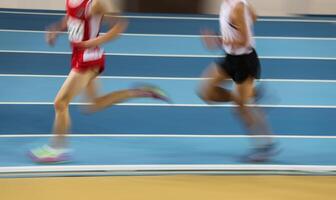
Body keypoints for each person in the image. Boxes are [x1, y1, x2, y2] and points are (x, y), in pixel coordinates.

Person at [29, 0, 169, 163]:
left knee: (60, 102)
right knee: (94, 104)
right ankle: (141, 92)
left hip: (89, 57)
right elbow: (71, 17)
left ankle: (57, 149)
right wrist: (56, 29)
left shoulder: (97, 3)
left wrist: (93, 42)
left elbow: (120, 25)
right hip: (78, 55)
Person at [199, 0, 276, 162]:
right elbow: (255, 17)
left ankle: (265, 146)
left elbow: (245, 41)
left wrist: (219, 41)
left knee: (240, 108)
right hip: (230, 58)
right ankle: (252, 95)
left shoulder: (237, 8)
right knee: (205, 92)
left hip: (245, 62)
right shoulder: (229, 4)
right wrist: (238, 27)